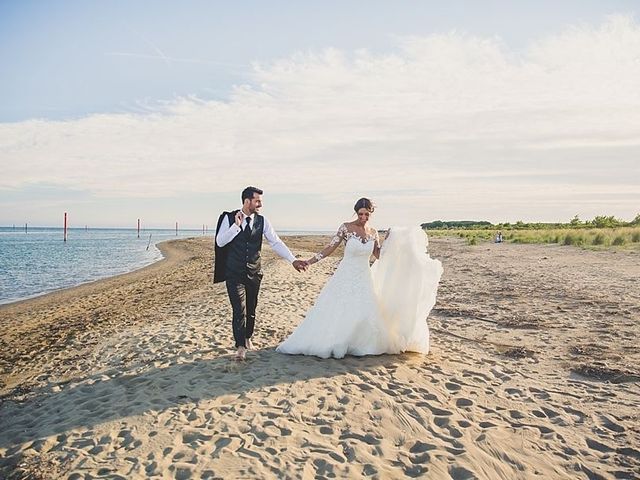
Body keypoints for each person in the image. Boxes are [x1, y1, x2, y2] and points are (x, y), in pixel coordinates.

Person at [277, 198, 443, 359]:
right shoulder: (346, 228)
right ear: (356, 213)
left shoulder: (373, 233)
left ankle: (360, 343)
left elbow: (378, 255)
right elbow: (330, 248)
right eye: (360, 214)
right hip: (345, 275)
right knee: (338, 308)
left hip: (364, 276)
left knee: (365, 309)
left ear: (371, 213)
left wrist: (391, 241)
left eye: (366, 215)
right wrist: (310, 261)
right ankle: (335, 340)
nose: (363, 218)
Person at [215, 186, 308, 361]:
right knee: (239, 310)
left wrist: (293, 260)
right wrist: (236, 226)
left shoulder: (263, 221)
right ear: (246, 201)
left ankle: (248, 337)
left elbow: (276, 242)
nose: (260, 205)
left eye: (260, 201)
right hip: (234, 273)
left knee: (251, 310)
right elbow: (220, 242)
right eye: (257, 201)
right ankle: (240, 346)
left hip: (254, 273)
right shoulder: (228, 218)